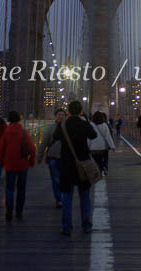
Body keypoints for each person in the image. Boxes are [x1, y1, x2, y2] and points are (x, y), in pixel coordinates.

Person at [54, 100, 97, 236]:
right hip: (82, 165)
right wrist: (85, 121)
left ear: (68, 111)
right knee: (84, 196)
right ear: (80, 111)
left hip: (66, 165)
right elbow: (93, 135)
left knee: (66, 197)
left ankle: (67, 227)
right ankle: (86, 226)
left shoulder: (63, 125)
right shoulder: (84, 123)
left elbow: (55, 137)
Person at [0, 111, 36, 221]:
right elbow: (32, 149)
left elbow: (1, 150)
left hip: (10, 165)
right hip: (23, 164)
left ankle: (9, 211)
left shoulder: (6, 132)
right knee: (21, 189)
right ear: (19, 119)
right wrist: (31, 161)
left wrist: (1, 162)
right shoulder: (24, 132)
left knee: (9, 188)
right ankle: (19, 212)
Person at [37, 108, 66, 208]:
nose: (61, 116)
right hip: (52, 157)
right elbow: (44, 143)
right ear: (55, 116)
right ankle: (59, 199)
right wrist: (39, 156)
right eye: (59, 114)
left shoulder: (68, 128)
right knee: (55, 179)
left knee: (63, 179)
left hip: (64, 158)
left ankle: (62, 197)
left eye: (62, 115)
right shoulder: (50, 128)